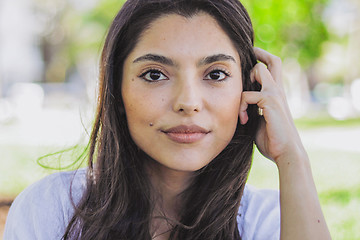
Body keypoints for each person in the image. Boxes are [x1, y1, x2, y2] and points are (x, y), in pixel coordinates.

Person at [4, 0, 332, 239]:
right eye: (155, 74)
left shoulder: (272, 220)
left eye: (216, 74)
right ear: (116, 92)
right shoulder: (50, 210)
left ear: (249, 88)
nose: (188, 102)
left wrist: (292, 157)